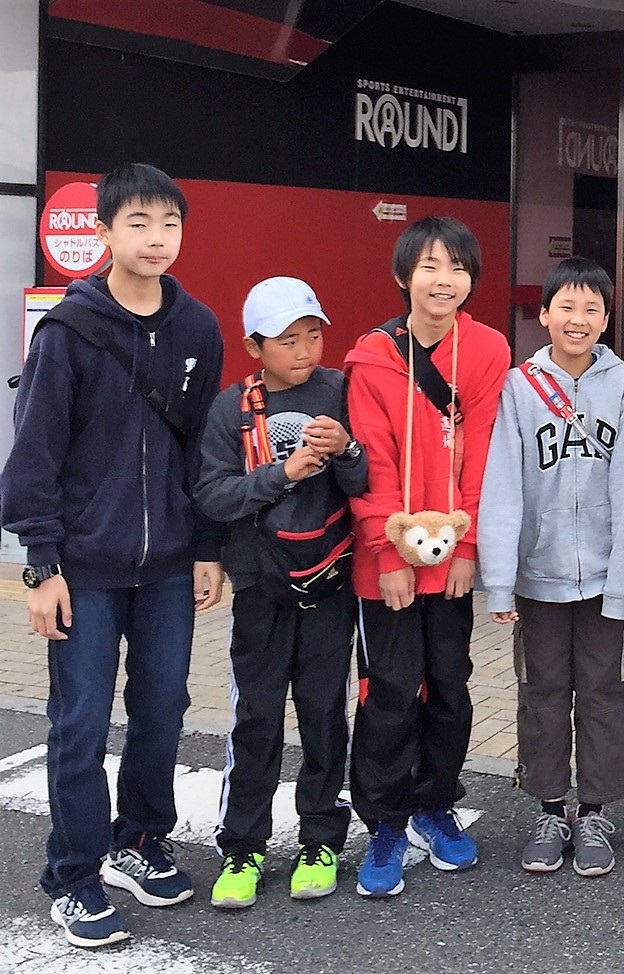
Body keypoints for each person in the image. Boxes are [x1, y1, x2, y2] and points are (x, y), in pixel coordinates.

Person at [9, 163, 227, 945]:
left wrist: (207, 547)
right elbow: (34, 454)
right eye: (138, 222)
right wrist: (42, 566)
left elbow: (204, 451)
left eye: (170, 222)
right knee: (79, 723)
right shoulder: (67, 331)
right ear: (103, 232)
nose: (156, 237)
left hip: (168, 563)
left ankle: (138, 839)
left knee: (164, 710)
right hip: (84, 568)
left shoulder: (199, 328)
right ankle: (73, 876)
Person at [346, 215, 512, 898]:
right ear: (402, 275)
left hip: (453, 558)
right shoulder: (371, 357)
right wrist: (387, 554)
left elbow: (485, 453)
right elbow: (371, 462)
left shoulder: (488, 348)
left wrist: (469, 546)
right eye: (430, 267)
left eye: (459, 268)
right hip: (384, 562)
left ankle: (435, 803)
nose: (445, 281)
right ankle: (385, 821)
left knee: (449, 684)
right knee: (389, 691)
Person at [191, 276, 364, 908]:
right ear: (254, 346)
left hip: (330, 586)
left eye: (313, 334)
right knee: (257, 719)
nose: (305, 350)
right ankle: (242, 848)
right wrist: (281, 473)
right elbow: (211, 495)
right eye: (288, 340)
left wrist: (346, 450)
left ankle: (321, 840)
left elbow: (367, 479)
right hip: (261, 591)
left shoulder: (341, 390)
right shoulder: (231, 407)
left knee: (323, 716)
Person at [474, 258, 624, 879]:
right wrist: (500, 580)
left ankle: (595, 812)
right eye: (566, 307)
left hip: (604, 579)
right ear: (544, 314)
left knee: (607, 694)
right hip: (538, 578)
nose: (578, 320)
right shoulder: (520, 387)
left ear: (607, 318)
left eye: (592, 309)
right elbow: (503, 485)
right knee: (542, 693)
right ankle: (550, 810)